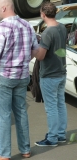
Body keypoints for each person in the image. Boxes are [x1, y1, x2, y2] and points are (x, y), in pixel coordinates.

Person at [0, 0, 39, 159]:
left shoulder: (1, 28)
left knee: (3, 115)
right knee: (21, 112)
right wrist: (23, 61)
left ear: (4, 8)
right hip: (22, 76)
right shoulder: (26, 25)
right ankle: (25, 149)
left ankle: (3, 154)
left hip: (3, 77)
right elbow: (35, 50)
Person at [33, 1, 68, 147]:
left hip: (49, 75)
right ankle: (61, 134)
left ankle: (52, 137)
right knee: (60, 104)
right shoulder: (62, 28)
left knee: (51, 107)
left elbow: (40, 56)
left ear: (43, 14)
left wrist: (34, 48)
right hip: (61, 71)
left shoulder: (48, 32)